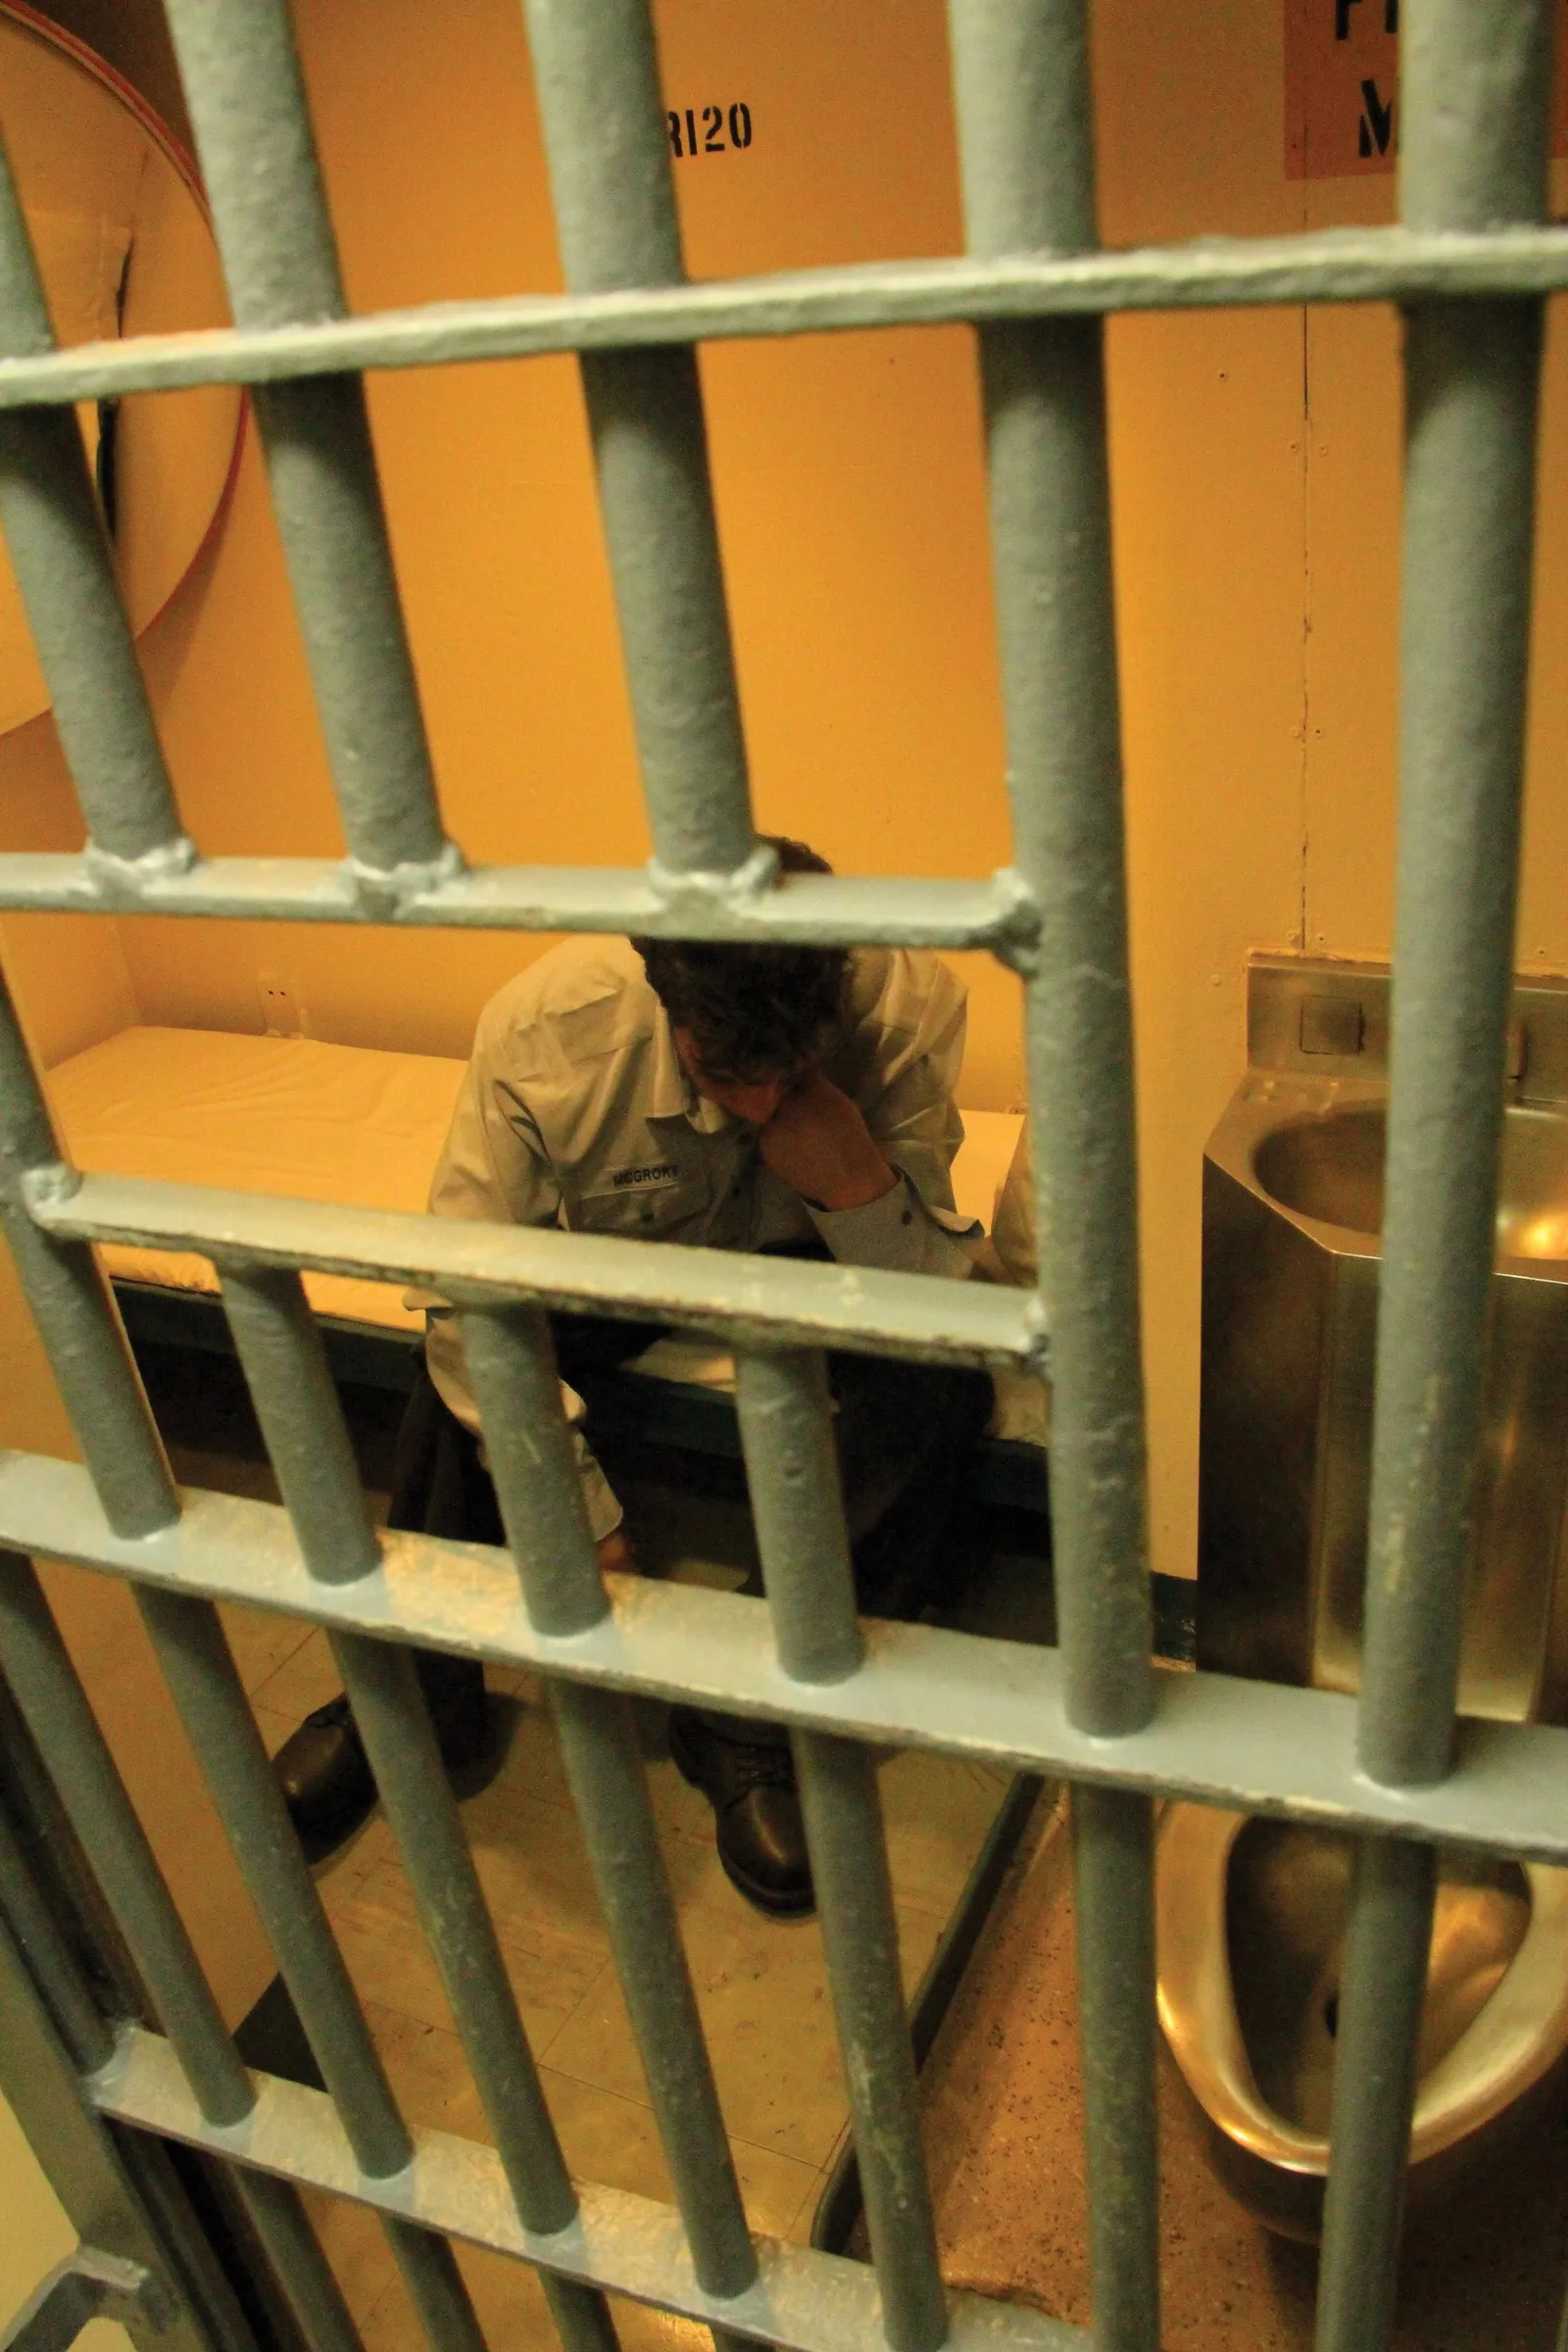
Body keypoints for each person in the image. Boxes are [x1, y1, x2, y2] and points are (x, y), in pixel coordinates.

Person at [272, 839, 993, 1915]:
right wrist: (573, 1508)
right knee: (457, 1366)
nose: (757, 1110)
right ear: (664, 999)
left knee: (944, 1389)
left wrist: (851, 1177)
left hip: (812, 1255)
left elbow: (931, 1292)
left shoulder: (907, 1004)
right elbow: (472, 1288)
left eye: (787, 1074)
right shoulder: (545, 1033)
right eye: (723, 1075)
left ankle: (744, 1713)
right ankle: (411, 1699)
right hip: (624, 1253)